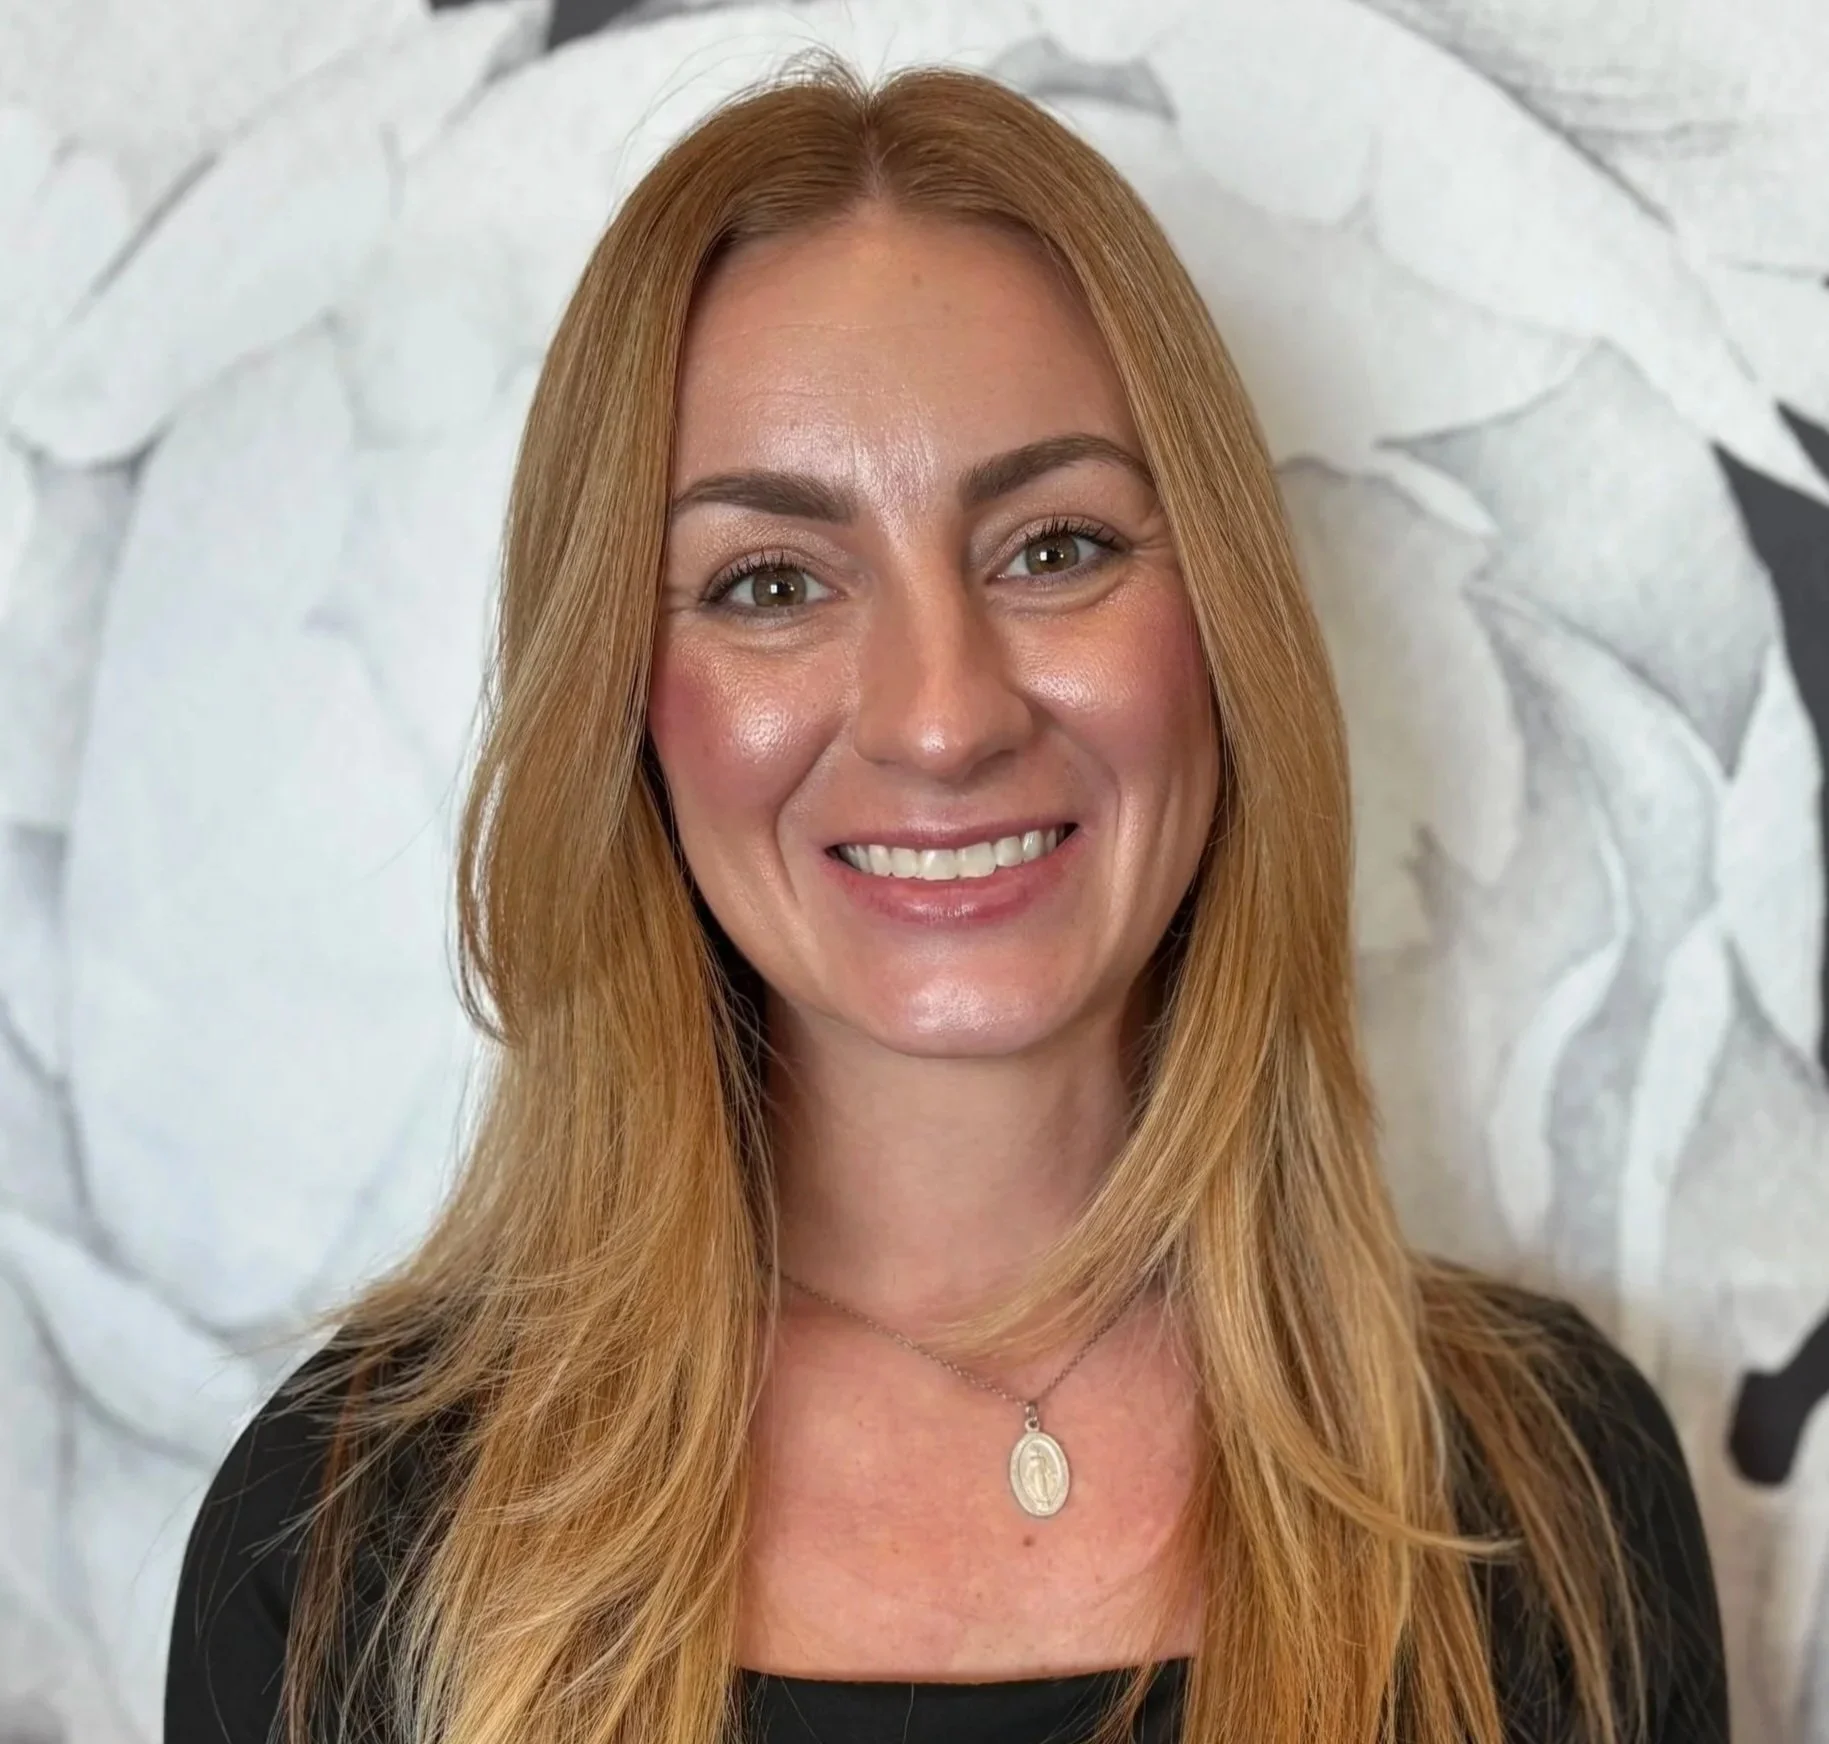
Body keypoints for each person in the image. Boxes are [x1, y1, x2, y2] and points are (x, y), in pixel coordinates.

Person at [163, 54, 1728, 1744]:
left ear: (1224, 635)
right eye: (770, 583)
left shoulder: (1556, 1497)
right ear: (621, 703)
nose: (942, 716)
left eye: (1053, 548)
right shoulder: (340, 1547)